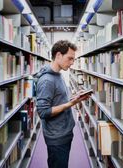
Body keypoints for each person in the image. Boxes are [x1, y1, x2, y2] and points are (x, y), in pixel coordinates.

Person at [36, 40, 90, 168]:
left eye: (73, 59)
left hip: (64, 131)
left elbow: (58, 99)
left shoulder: (58, 75)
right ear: (58, 55)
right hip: (57, 137)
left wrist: (76, 97)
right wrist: (71, 103)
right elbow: (43, 112)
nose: (72, 63)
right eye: (70, 58)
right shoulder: (47, 81)